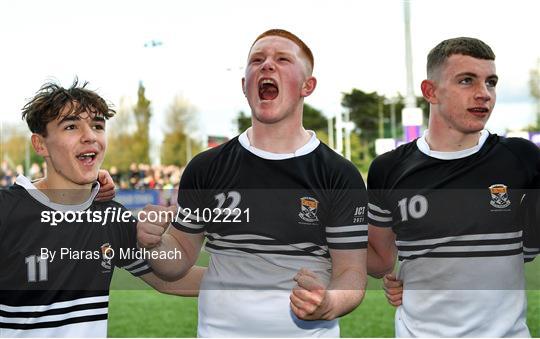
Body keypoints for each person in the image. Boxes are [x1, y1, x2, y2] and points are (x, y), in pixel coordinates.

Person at [137, 29, 368, 337]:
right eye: (256, 60)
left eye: (282, 59)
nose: (266, 65)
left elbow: (350, 273)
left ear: (307, 85)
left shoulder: (339, 175)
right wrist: (154, 244)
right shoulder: (206, 168)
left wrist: (330, 303)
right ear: (245, 85)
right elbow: (176, 260)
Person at [0, 80, 204, 338]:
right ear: (40, 145)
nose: (90, 136)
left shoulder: (110, 215)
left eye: (97, 126)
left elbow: (170, 279)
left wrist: (259, 278)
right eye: (71, 126)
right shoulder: (7, 211)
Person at [366, 37, 540, 337]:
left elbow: (530, 247)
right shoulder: (388, 168)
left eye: (491, 82)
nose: (483, 94)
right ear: (430, 91)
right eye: (467, 81)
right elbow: (379, 261)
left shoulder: (521, 159)